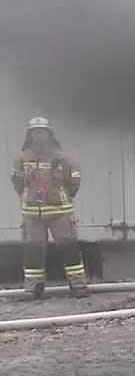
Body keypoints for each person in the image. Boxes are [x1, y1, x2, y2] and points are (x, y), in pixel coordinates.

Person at [10, 117, 87, 299]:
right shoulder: (22, 158)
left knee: (69, 248)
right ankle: (33, 288)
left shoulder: (62, 158)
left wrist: (64, 184)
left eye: (42, 132)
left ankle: (78, 286)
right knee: (33, 251)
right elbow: (18, 184)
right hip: (32, 214)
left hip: (60, 212)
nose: (39, 137)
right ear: (29, 136)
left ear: (50, 135)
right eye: (35, 133)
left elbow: (74, 180)